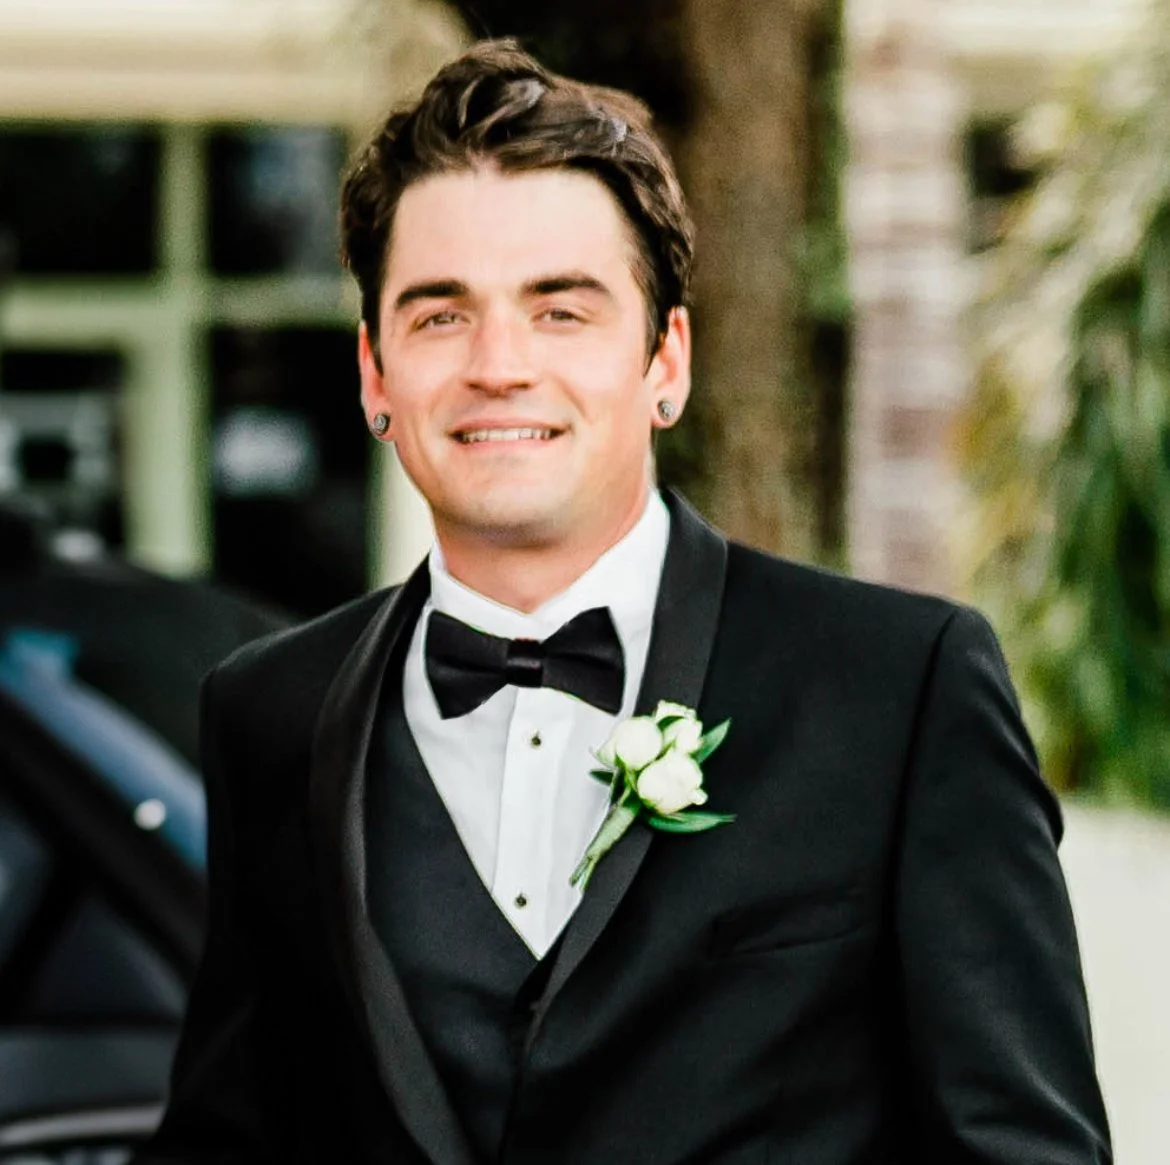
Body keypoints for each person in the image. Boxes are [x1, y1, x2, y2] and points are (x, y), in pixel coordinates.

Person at [135, 39, 1111, 1165]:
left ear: (667, 363)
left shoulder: (902, 687)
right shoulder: (269, 714)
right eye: (441, 314)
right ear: (374, 373)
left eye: (562, 310)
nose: (499, 363)